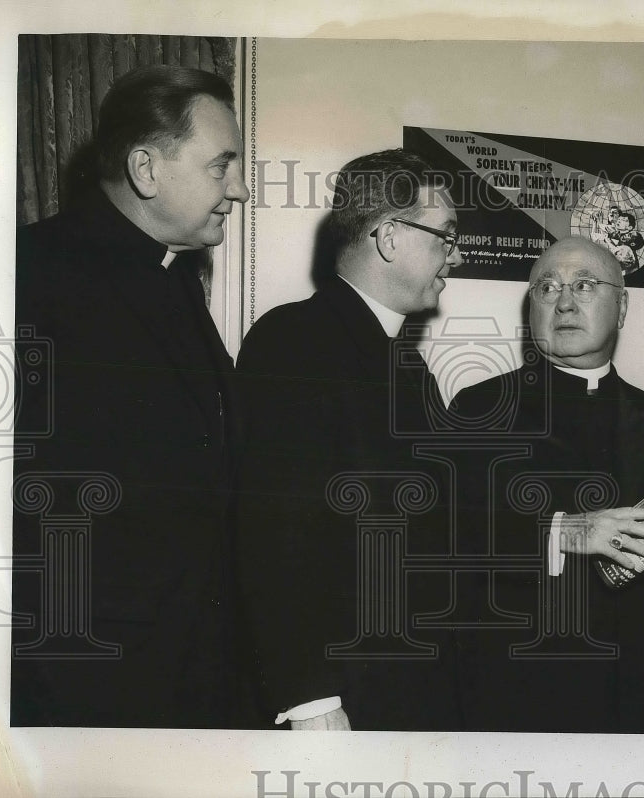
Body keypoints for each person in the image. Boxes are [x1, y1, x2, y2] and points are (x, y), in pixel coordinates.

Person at [13, 65, 250, 727]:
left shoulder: (172, 278)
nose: (243, 188)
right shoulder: (29, 270)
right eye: (222, 166)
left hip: (190, 675)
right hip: (86, 684)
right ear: (146, 169)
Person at [235, 149, 464, 731]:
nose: (454, 257)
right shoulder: (293, 341)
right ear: (389, 236)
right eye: (445, 237)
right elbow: (275, 531)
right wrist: (311, 699)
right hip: (342, 700)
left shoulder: (410, 370)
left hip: (411, 688)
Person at [450, 236, 644, 733]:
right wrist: (568, 531)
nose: (563, 301)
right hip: (516, 692)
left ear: (623, 305)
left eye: (584, 285)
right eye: (546, 288)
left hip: (632, 692)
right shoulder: (479, 407)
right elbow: (454, 540)